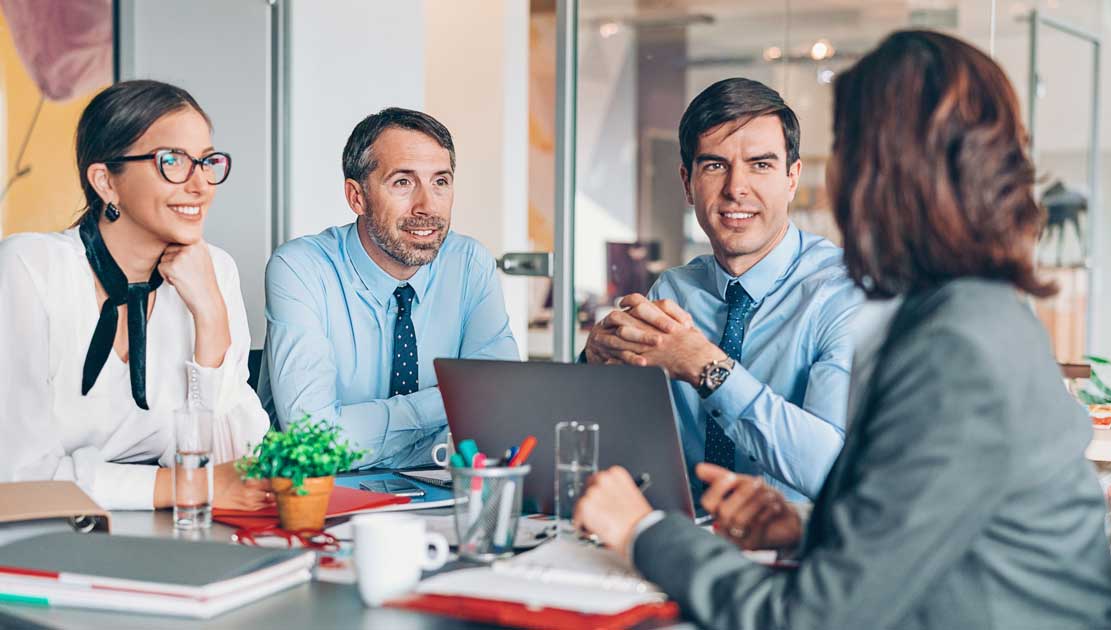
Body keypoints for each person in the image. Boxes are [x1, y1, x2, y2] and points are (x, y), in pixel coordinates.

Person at [573, 30, 1111, 628]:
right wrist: (811, 528)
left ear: (887, 173)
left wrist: (642, 532)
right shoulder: (965, 314)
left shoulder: (955, 347)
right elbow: (927, 521)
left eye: (849, 150)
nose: (835, 182)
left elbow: (814, 618)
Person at [583, 78, 861, 502]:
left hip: (789, 548)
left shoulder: (843, 294)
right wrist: (594, 365)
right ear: (687, 182)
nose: (736, 188)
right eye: (715, 165)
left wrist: (706, 366)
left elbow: (832, 470)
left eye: (761, 165)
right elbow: (620, 441)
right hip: (677, 534)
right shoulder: (673, 290)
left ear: (792, 178)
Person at [0, 80, 272, 511]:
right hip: (39, 540)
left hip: (172, 537)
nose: (200, 184)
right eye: (173, 162)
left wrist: (211, 320)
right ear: (106, 181)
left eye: (206, 162)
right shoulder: (29, 268)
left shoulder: (214, 269)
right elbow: (20, 478)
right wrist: (180, 486)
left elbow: (234, 468)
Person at [259, 108, 519, 469]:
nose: (427, 206)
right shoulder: (301, 269)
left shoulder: (469, 264)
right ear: (357, 197)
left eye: (440, 182)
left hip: (441, 495)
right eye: (403, 182)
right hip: (318, 501)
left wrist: (356, 429)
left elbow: (501, 416)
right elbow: (312, 441)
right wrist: (452, 402)